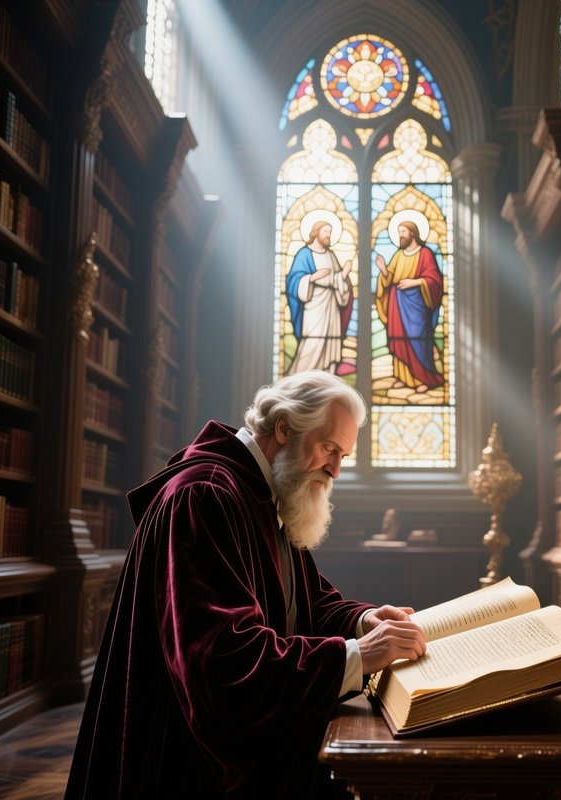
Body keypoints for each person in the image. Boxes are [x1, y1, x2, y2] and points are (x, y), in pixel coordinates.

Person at [65, 371, 426, 799]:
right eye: (329, 448)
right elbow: (221, 664)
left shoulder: (265, 491)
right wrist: (357, 655)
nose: (335, 469)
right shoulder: (204, 496)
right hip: (182, 763)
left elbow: (306, 601)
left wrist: (363, 621)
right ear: (285, 428)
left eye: (343, 455)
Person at [375, 219, 444, 392]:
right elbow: (389, 278)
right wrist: (383, 270)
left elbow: (434, 279)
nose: (400, 235)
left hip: (417, 305)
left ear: (412, 232)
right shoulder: (398, 255)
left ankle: (423, 377)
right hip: (397, 303)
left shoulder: (425, 253)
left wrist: (416, 282)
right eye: (399, 232)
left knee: (417, 339)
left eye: (403, 231)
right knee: (399, 339)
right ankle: (404, 377)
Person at [286, 218, 353, 374]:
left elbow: (336, 281)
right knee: (312, 343)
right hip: (314, 305)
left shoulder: (330, 255)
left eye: (330, 232)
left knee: (330, 347)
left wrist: (342, 276)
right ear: (316, 232)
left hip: (331, 305)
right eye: (326, 231)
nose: (328, 235)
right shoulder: (304, 254)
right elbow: (293, 281)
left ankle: (327, 378)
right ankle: (297, 378)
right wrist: (313, 277)